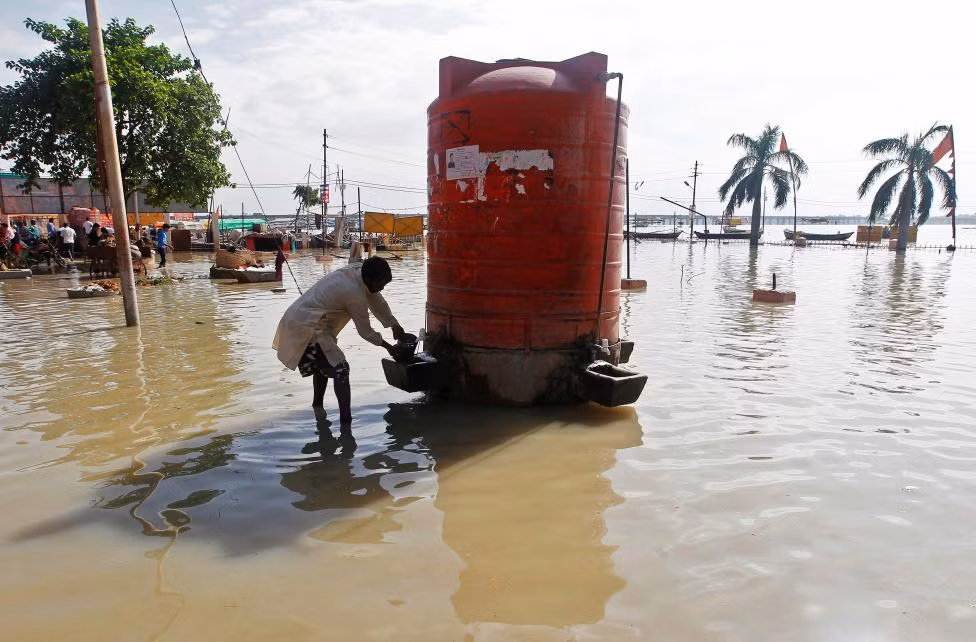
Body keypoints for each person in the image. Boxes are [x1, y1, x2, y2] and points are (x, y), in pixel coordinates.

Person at [272, 256, 405, 424]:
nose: (382, 288)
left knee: (325, 366)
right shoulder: (353, 293)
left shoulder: (358, 271)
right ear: (370, 279)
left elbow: (376, 299)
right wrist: (389, 347)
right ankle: (346, 423)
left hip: (304, 319)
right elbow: (365, 331)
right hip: (308, 325)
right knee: (341, 368)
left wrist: (394, 324)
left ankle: (318, 409)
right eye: (381, 284)